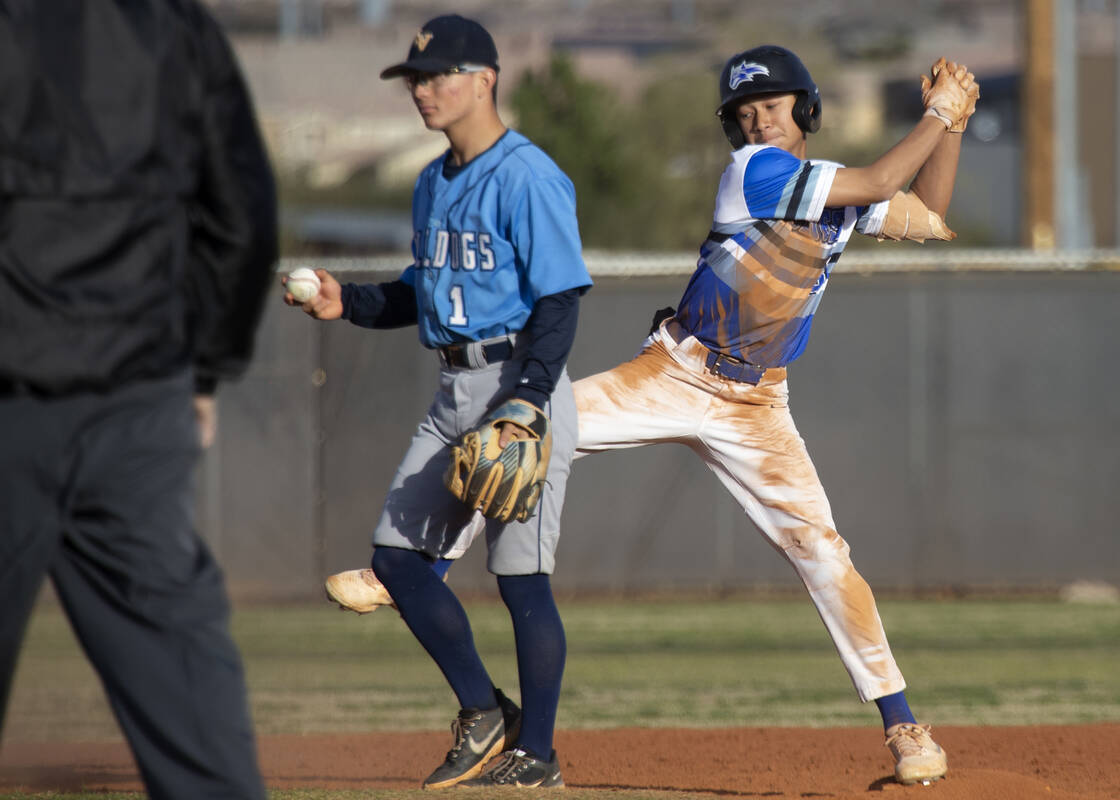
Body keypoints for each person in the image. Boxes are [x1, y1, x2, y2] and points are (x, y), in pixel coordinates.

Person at [328, 45, 979, 787]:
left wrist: (954, 123)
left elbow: (926, 211)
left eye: (771, 105)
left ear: (805, 108)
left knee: (824, 553)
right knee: (525, 437)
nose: (757, 120)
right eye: (743, 113)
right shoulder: (757, 173)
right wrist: (939, 112)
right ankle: (416, 570)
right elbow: (886, 176)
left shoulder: (834, 193)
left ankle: (905, 731)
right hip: (675, 371)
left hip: (758, 402)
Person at [286, 14, 592, 790]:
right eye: (415, 79)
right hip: (454, 387)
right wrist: (345, 303)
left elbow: (559, 300)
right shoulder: (432, 181)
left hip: (522, 383)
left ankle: (540, 756)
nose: (423, 90)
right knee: (396, 559)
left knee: (521, 580)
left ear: (485, 78)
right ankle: (485, 710)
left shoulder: (529, 175)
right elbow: (424, 292)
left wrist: (526, 403)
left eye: (438, 76)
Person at [0, 2, 278, 798]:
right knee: (187, 700)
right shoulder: (170, 26)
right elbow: (243, 217)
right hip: (136, 399)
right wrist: (201, 371)